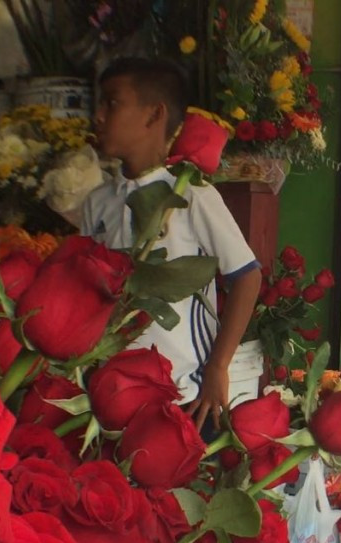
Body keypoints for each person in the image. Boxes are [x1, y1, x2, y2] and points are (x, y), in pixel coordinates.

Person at [81, 58, 263, 427]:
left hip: (186, 396)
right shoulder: (98, 202)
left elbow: (247, 276)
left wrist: (219, 366)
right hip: (111, 394)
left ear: (154, 115)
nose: (98, 116)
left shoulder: (193, 196)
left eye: (112, 103)